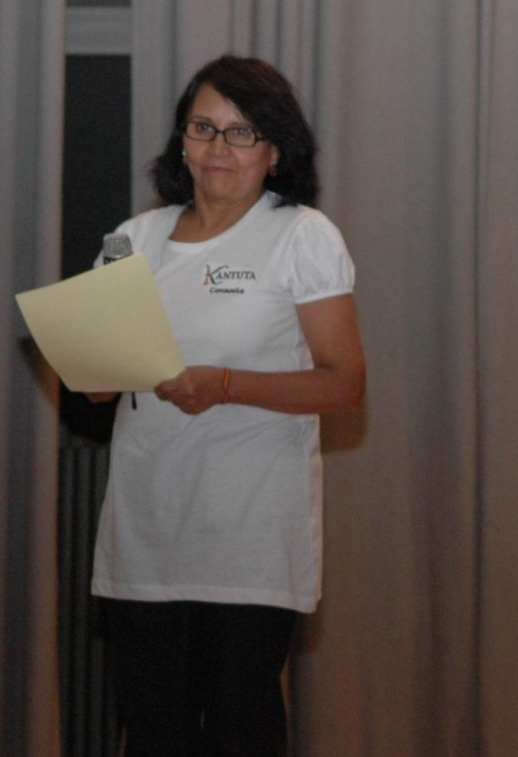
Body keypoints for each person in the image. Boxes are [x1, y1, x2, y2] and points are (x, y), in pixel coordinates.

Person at [89, 55, 367, 756]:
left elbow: (344, 383)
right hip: (146, 536)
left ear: (275, 152)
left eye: (242, 132)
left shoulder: (301, 234)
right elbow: (98, 383)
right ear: (181, 141)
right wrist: (83, 354)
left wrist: (225, 385)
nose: (219, 147)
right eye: (203, 127)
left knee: (243, 731)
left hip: (251, 542)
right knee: (152, 733)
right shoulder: (133, 238)